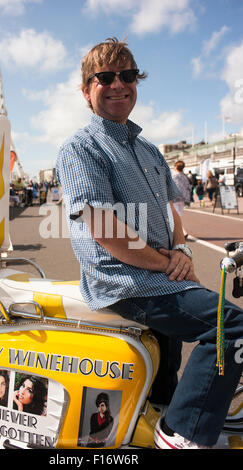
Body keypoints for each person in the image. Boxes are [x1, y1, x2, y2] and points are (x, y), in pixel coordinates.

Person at [56, 37, 243, 449]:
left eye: (127, 76)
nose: (118, 84)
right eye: (105, 77)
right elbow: (103, 228)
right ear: (87, 90)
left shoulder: (148, 149)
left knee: (166, 370)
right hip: (126, 280)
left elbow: (171, 212)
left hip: (161, 275)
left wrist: (184, 253)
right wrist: (166, 264)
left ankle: (158, 420)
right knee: (232, 327)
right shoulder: (80, 148)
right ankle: (181, 435)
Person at [172, 160, 191, 239]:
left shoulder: (173, 176)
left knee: (174, 216)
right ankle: (179, 232)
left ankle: (182, 232)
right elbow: (188, 187)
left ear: (176, 167)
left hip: (174, 198)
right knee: (177, 216)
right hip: (182, 199)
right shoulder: (184, 176)